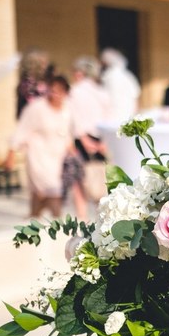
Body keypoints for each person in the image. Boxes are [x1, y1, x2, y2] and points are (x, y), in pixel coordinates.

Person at [4, 75, 75, 218]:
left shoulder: (67, 110)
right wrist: (11, 153)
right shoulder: (37, 108)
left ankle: (33, 215)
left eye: (59, 91)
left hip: (57, 158)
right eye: (52, 90)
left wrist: (72, 151)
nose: (55, 94)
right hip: (38, 156)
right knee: (53, 190)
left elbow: (66, 133)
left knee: (41, 192)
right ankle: (58, 220)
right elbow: (22, 130)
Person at [66, 56, 111, 217]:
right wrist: (104, 142)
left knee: (80, 184)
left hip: (82, 138)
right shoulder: (102, 92)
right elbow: (109, 116)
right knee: (100, 180)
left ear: (80, 73)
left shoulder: (75, 91)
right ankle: (102, 219)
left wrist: (83, 139)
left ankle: (82, 218)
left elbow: (73, 118)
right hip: (100, 139)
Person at [100, 48, 141, 124]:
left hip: (113, 117)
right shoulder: (128, 76)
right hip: (127, 115)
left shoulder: (107, 77)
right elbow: (136, 96)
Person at [16, 48, 50, 117]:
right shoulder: (26, 85)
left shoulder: (41, 82)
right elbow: (34, 105)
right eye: (43, 63)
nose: (45, 67)